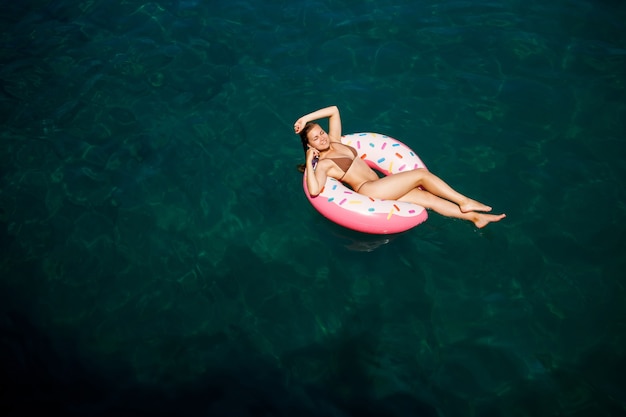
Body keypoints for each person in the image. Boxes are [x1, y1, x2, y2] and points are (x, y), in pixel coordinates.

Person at [294, 106, 506, 229]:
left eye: (321, 132)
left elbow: (334, 110)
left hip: (380, 185)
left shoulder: (335, 141)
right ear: (310, 145)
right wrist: (308, 156)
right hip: (369, 190)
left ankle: (475, 218)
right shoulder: (323, 164)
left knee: (428, 199)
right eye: (316, 138)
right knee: (421, 175)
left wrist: (305, 119)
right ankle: (464, 201)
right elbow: (314, 190)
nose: (322, 137)